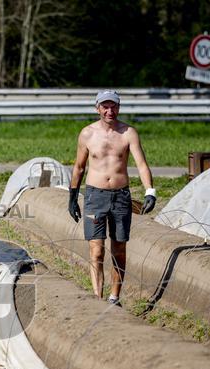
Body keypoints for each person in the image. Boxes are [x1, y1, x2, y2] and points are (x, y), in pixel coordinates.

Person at [67, 89, 155, 306]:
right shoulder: (87, 134)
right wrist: (72, 196)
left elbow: (141, 164)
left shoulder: (128, 133)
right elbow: (79, 167)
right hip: (95, 196)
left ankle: (114, 297)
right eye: (105, 106)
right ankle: (97, 300)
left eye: (113, 106)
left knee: (119, 249)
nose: (110, 111)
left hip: (120, 197)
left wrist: (149, 190)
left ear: (119, 107)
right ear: (97, 108)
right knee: (96, 250)